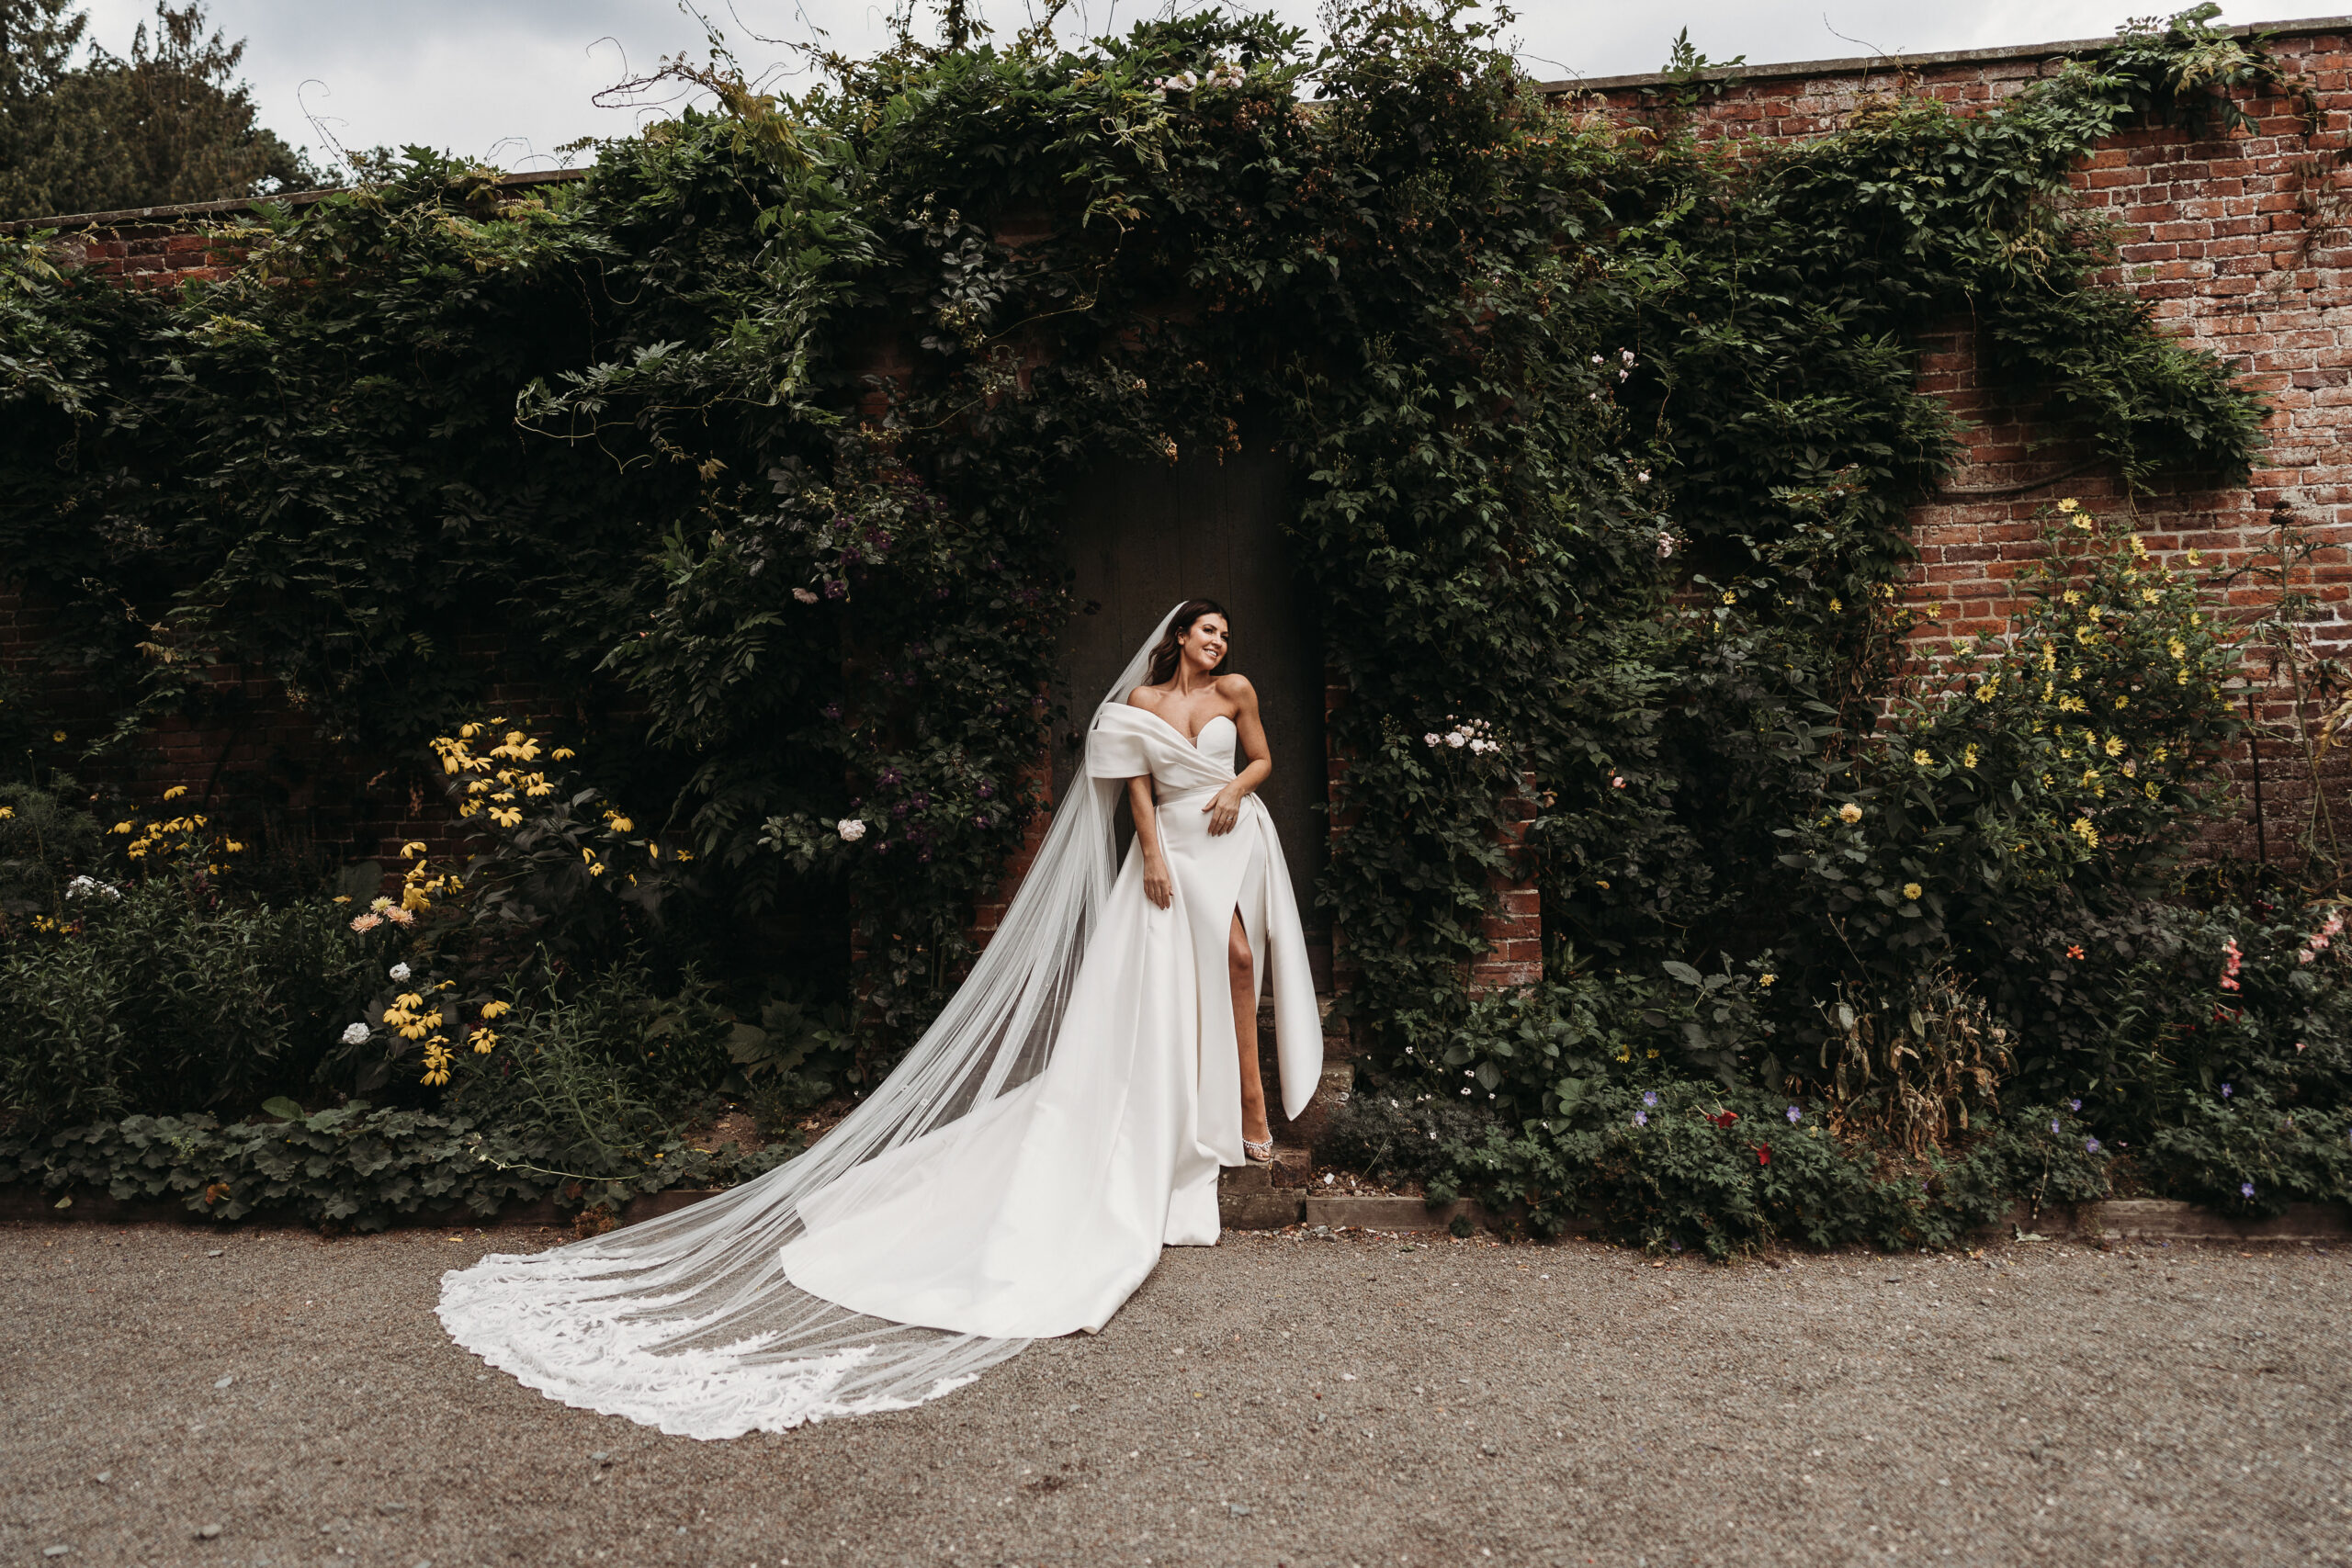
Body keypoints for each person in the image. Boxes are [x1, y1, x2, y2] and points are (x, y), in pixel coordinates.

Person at [437, 599, 1322, 1438]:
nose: (1220, 642)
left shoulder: (1235, 694)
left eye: (1227, 634)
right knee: (1160, 989)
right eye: (1209, 630)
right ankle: (1191, 1105)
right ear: (1179, 636)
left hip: (1228, 833)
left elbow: (1261, 757)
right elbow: (1129, 786)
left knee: (1239, 962)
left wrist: (1240, 788)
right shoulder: (1139, 700)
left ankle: (1246, 1104)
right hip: (1171, 844)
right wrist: (1153, 857)